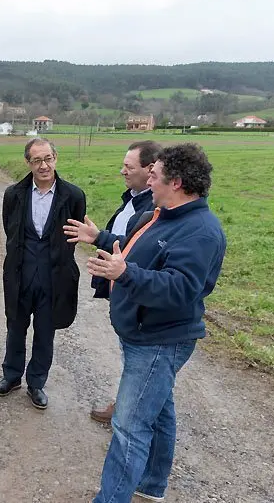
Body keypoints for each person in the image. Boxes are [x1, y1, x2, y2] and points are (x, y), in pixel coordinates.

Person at [88, 144, 226, 502]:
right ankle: (151, 485)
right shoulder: (164, 215)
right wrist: (100, 239)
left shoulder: (200, 231)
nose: (148, 179)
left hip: (159, 341)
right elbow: (137, 249)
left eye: (155, 175)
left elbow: (180, 288)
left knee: (129, 427)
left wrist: (125, 274)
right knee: (159, 410)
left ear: (176, 182)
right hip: (143, 333)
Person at [63, 140, 161, 423]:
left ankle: (128, 413)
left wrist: (98, 238)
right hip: (123, 287)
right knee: (131, 358)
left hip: (134, 291)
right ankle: (132, 407)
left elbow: (134, 247)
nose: (122, 171)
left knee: (136, 361)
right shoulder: (133, 198)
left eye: (129, 167)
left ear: (150, 169)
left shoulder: (152, 206)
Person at [0, 138, 86, 409]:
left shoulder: (74, 196)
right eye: (37, 160)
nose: (43, 166)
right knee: (15, 328)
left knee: (45, 332)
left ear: (55, 158)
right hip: (20, 274)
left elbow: (74, 235)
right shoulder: (14, 194)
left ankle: (36, 383)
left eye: (48, 158)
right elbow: (10, 231)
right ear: (28, 163)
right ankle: (12, 376)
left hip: (54, 278)